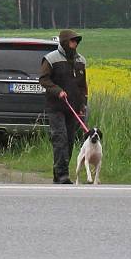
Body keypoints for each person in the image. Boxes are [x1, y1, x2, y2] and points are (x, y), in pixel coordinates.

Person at [39, 29, 88, 184]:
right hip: (56, 106)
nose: (75, 43)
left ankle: (58, 174)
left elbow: (82, 86)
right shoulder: (51, 59)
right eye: (72, 41)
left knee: (70, 140)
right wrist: (58, 91)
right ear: (65, 42)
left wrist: (82, 105)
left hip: (73, 108)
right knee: (60, 138)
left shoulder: (81, 60)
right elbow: (44, 80)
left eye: (76, 41)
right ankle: (62, 175)